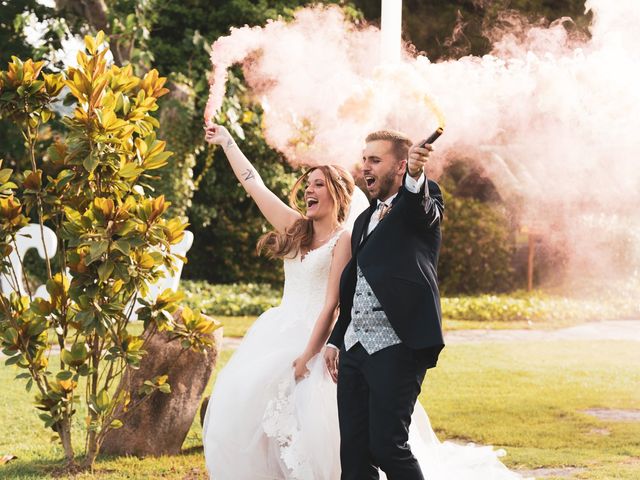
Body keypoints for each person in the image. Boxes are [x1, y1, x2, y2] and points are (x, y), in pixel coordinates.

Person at [203, 124, 523, 480]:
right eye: (364, 160)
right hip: (350, 348)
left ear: (400, 166)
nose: (366, 167)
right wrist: (337, 341)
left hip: (397, 344)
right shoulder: (365, 220)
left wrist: (416, 175)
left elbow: (419, 208)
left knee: (387, 446)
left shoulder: (419, 203)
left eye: (375, 160)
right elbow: (351, 290)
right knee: (353, 454)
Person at [202, 122, 360, 479]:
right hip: (277, 329)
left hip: (314, 339)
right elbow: (252, 182)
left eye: (319, 184)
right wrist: (227, 141)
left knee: (309, 425)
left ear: (337, 193)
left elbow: (332, 305)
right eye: (307, 185)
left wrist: (307, 357)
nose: (309, 190)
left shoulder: (344, 240)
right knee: (247, 409)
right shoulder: (294, 228)